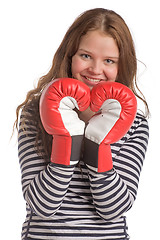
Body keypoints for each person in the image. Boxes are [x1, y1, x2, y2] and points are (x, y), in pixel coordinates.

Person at [15, 8, 149, 240]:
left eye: (109, 61)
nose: (95, 70)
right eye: (85, 56)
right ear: (69, 56)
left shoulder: (134, 123)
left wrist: (98, 146)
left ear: (121, 66)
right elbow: (42, 206)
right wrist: (68, 140)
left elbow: (114, 209)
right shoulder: (34, 114)